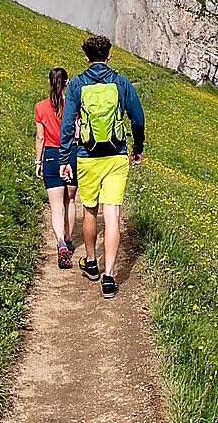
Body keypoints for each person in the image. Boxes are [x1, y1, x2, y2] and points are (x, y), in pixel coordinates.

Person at [61, 34, 145, 299]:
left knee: (89, 210)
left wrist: (64, 159)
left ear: (87, 57)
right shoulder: (121, 83)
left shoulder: (76, 84)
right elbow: (138, 119)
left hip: (86, 156)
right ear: (109, 56)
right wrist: (138, 147)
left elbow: (67, 125)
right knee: (112, 215)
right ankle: (109, 277)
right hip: (116, 156)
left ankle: (91, 262)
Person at [34, 67, 77, 268]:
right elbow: (77, 133)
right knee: (70, 201)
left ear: (49, 83)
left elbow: (40, 138)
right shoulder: (73, 106)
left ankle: (60, 242)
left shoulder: (40, 107)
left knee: (56, 207)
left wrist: (38, 162)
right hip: (72, 153)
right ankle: (69, 240)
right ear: (66, 83)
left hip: (51, 156)